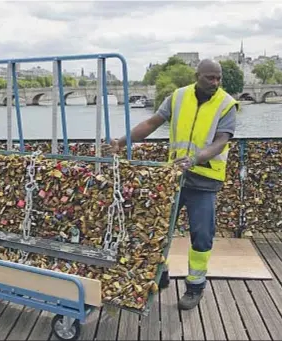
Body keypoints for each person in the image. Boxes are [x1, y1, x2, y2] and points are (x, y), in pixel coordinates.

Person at [102, 59, 239, 310]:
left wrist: (197, 158)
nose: (215, 82)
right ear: (197, 75)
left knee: (201, 236)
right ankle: (159, 274)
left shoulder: (226, 104)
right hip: (175, 177)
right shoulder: (177, 97)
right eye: (210, 77)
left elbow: (221, 142)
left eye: (218, 78)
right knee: (158, 230)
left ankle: (195, 287)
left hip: (205, 181)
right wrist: (121, 142)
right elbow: (151, 124)